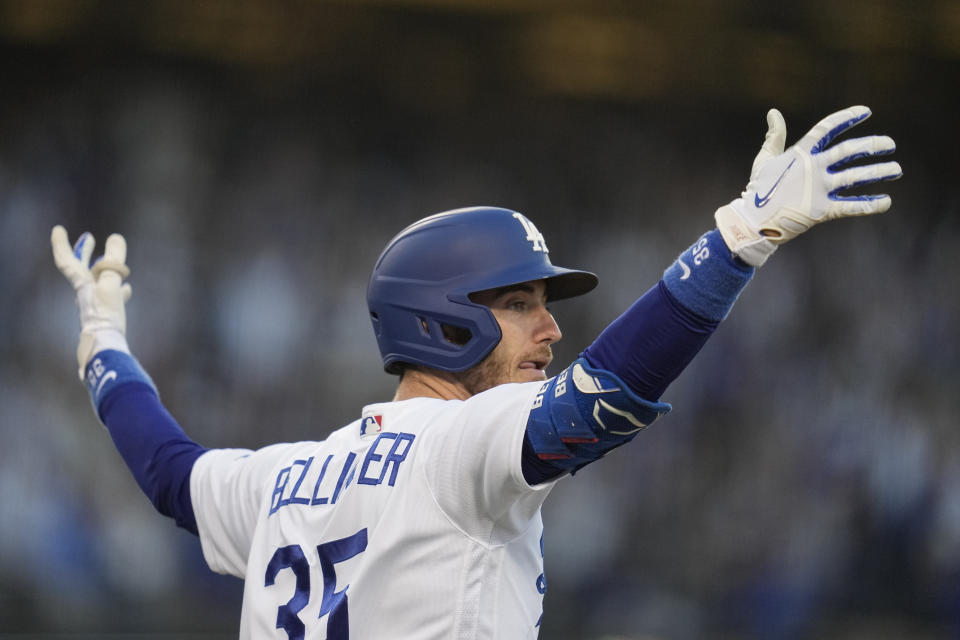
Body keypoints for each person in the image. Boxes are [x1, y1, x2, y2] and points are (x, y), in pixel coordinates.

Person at [52, 105, 901, 639]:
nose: (550, 327)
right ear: (444, 317)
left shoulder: (281, 480)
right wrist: (737, 241)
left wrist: (102, 344)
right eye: (522, 302)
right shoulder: (457, 449)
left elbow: (167, 471)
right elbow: (602, 393)